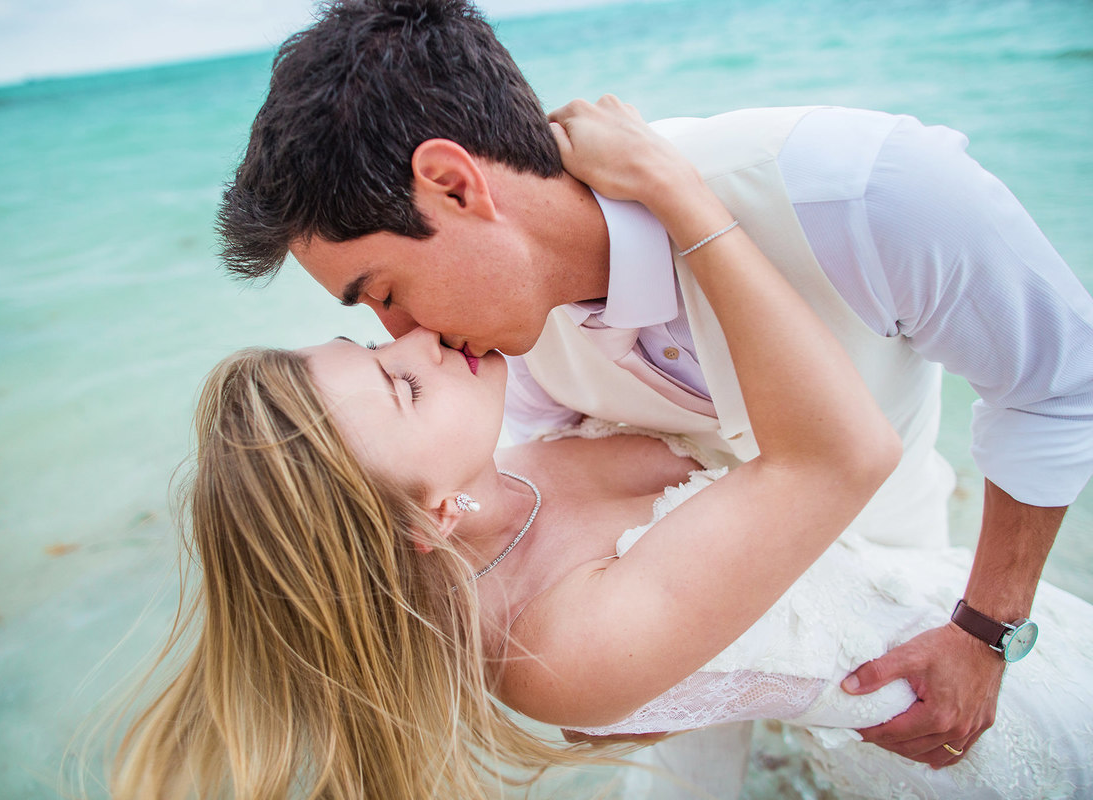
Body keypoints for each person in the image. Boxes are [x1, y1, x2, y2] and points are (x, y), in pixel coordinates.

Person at [215, 1, 1093, 789]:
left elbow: (1059, 387)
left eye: (382, 290)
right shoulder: (487, 361)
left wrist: (988, 630)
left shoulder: (864, 192)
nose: (404, 334)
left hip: (939, 641)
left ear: (453, 185)